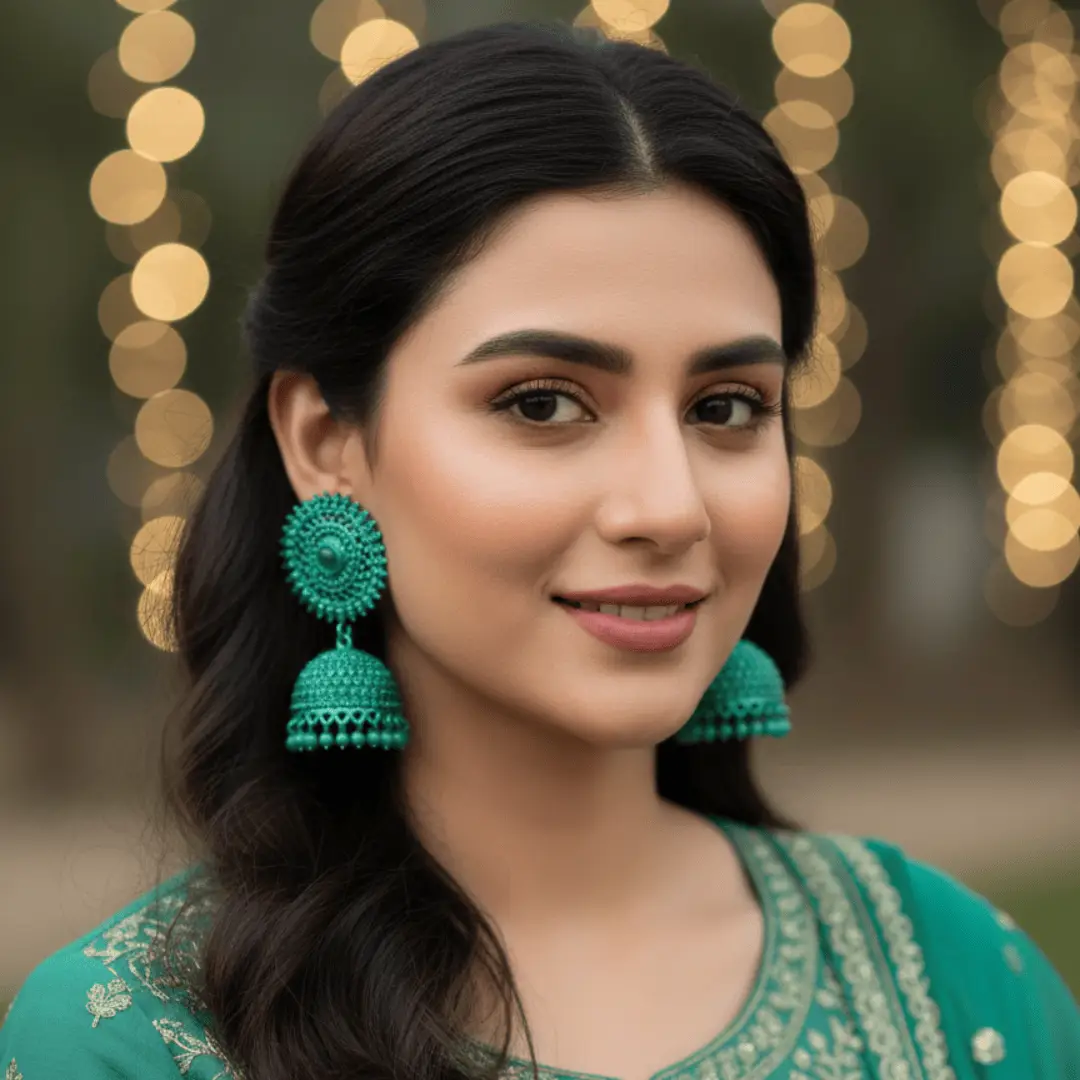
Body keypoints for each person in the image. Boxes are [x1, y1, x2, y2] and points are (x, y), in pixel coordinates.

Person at [2, 19, 1077, 1080]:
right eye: (544, 401)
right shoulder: (132, 1040)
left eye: (728, 407)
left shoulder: (956, 990)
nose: (671, 506)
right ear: (328, 443)